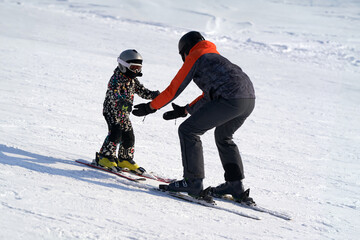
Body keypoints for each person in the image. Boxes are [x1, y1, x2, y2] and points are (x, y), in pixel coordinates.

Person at [132, 31, 256, 202]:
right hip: (248, 99)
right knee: (223, 136)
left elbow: (173, 89)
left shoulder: (196, 55)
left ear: (185, 50)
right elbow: (210, 94)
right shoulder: (213, 57)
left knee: (188, 131)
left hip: (230, 98)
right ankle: (235, 184)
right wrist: (185, 110)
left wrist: (150, 107)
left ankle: (193, 182)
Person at [97, 49, 159, 174]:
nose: (136, 71)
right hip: (111, 111)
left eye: (139, 68)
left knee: (129, 136)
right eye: (134, 68)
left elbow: (141, 90)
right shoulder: (116, 80)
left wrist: (154, 95)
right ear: (123, 66)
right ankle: (105, 157)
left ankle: (125, 159)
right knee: (115, 133)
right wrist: (124, 104)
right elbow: (116, 97)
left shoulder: (132, 80)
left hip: (123, 114)